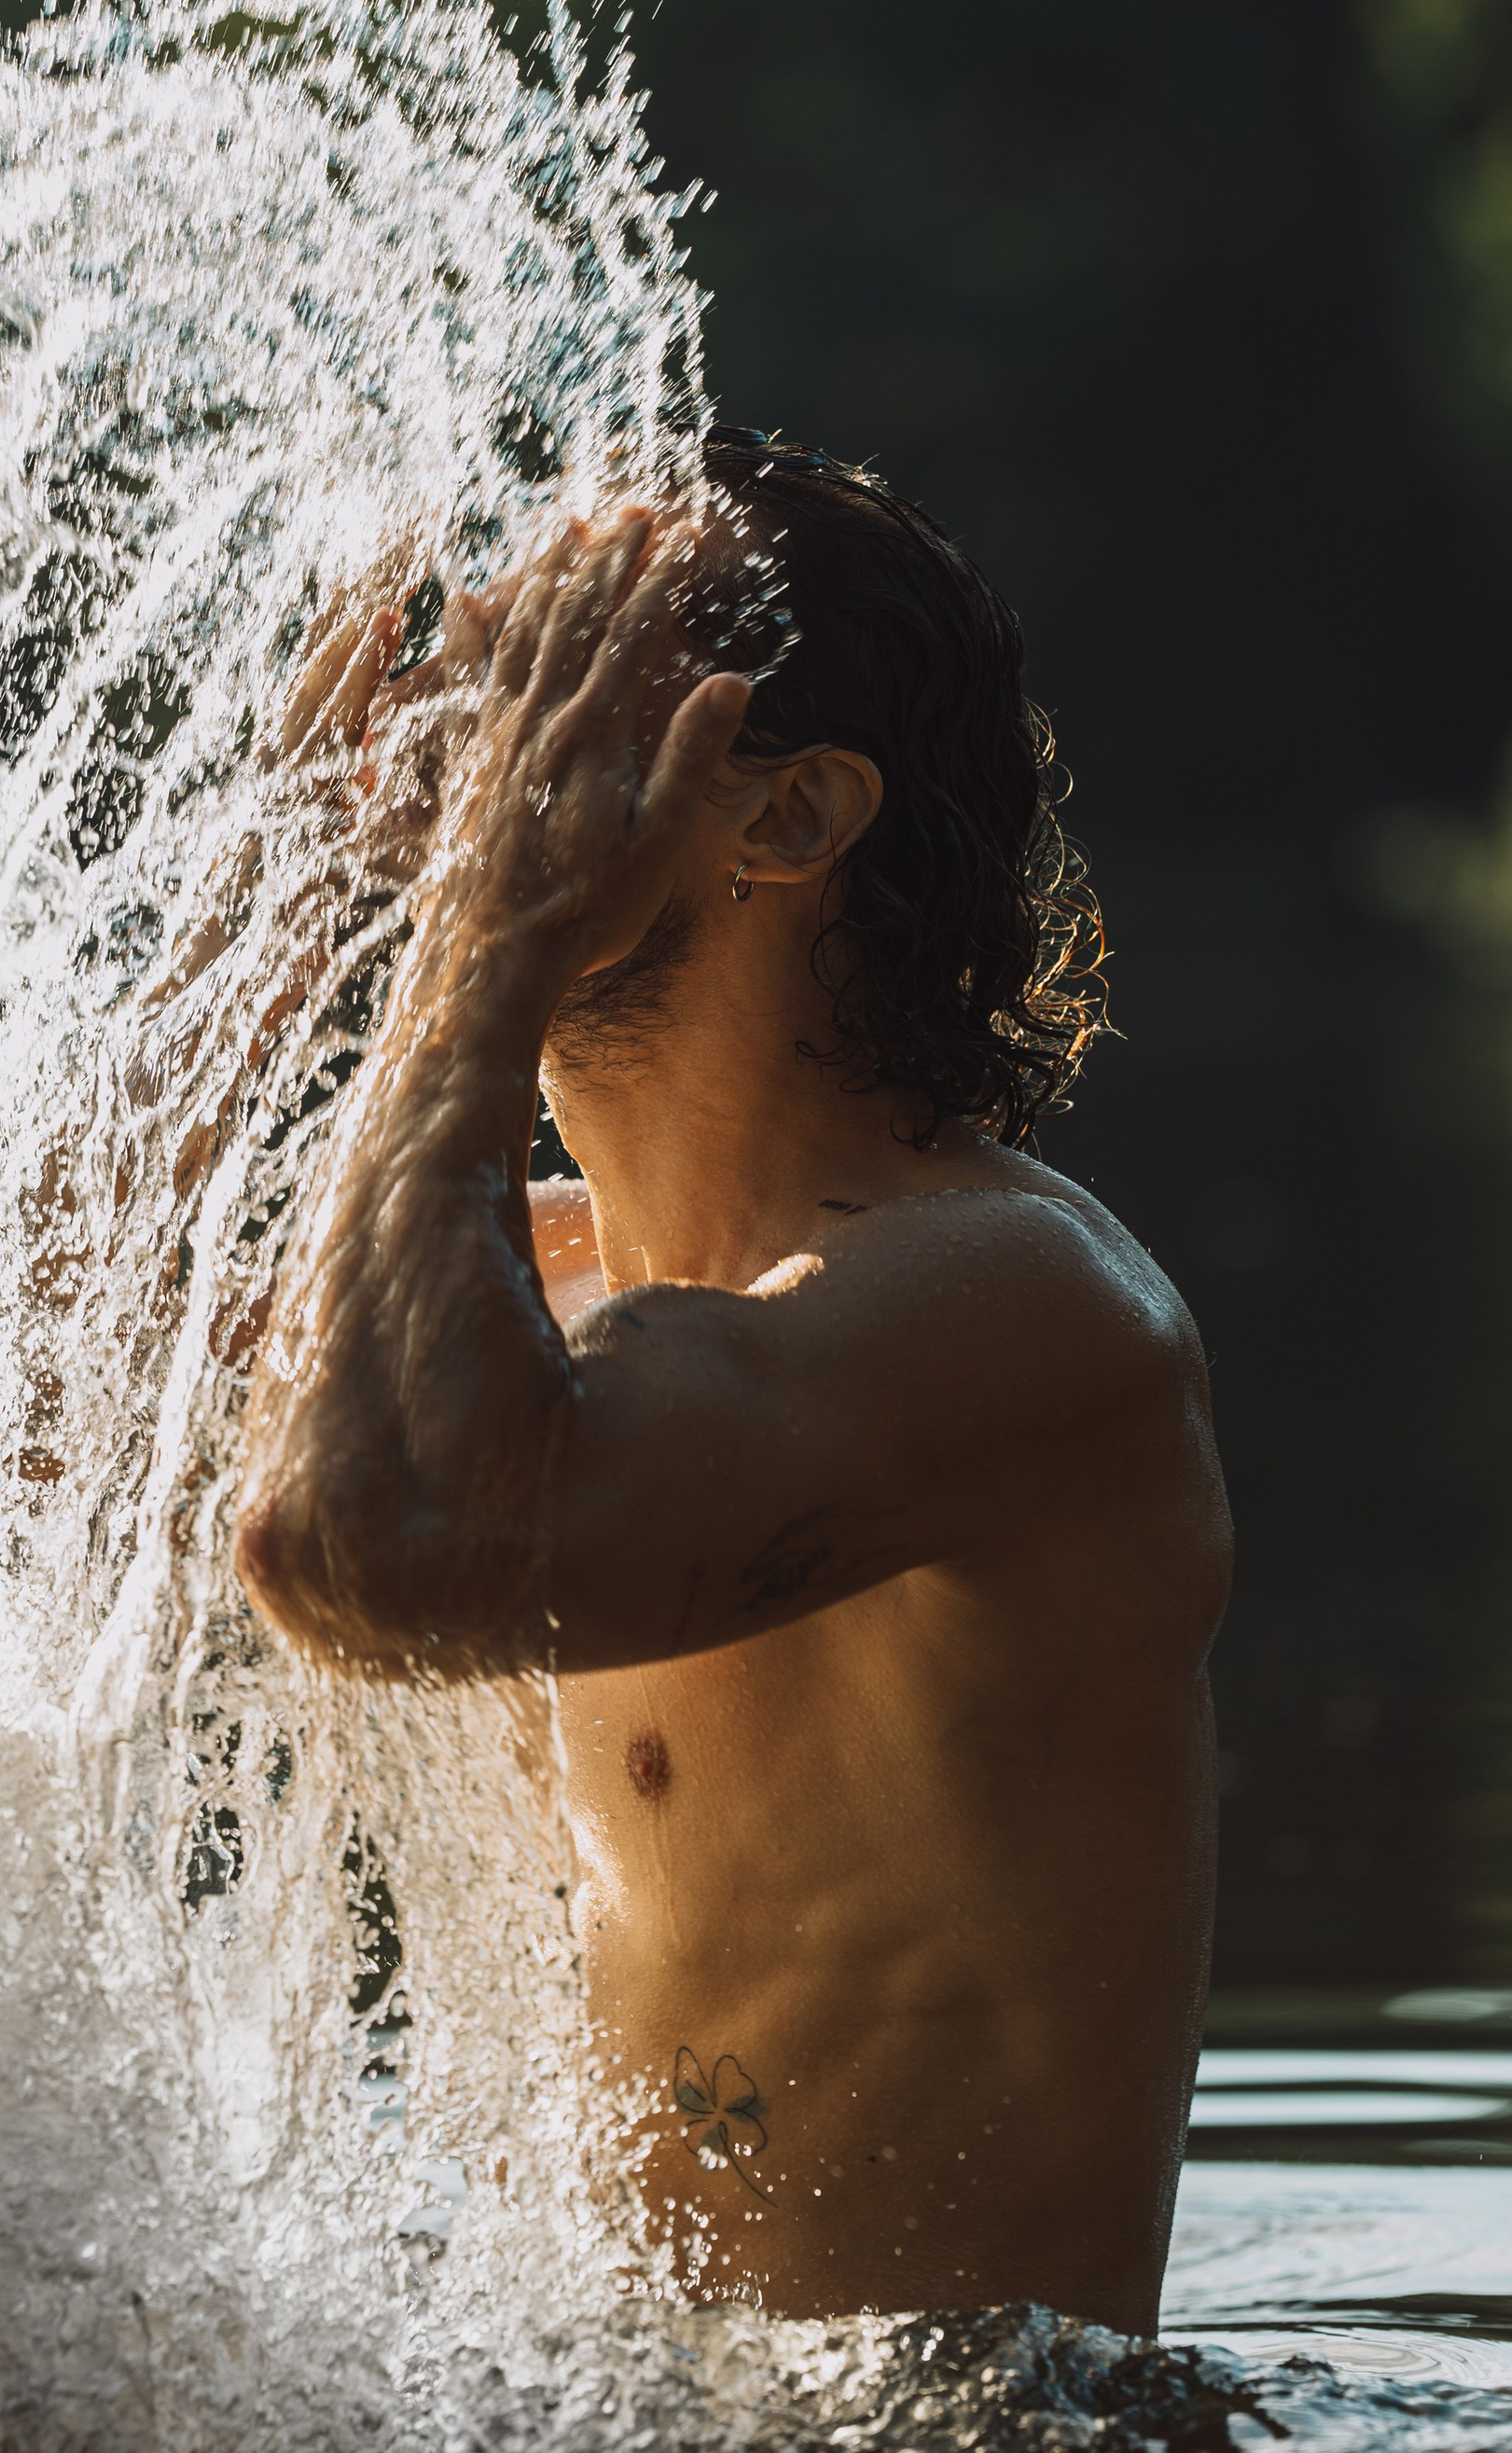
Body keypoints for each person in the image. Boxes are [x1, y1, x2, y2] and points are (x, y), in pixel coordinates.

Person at [234, 432, 1230, 2332]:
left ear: (787, 816)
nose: (465, 731)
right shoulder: (511, 1288)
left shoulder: (1017, 1305)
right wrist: (281, 909)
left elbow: (378, 1541)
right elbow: (18, 1436)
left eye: (557, 679)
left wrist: (481, 937)